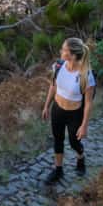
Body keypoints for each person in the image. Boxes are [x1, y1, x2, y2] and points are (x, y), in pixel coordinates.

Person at [41, 37, 95, 185]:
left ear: (72, 54)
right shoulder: (58, 66)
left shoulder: (86, 75)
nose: (61, 51)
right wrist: (46, 106)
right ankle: (58, 170)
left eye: (64, 49)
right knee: (57, 139)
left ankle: (80, 158)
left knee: (73, 142)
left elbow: (89, 103)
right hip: (57, 110)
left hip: (74, 114)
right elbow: (53, 86)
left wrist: (84, 125)